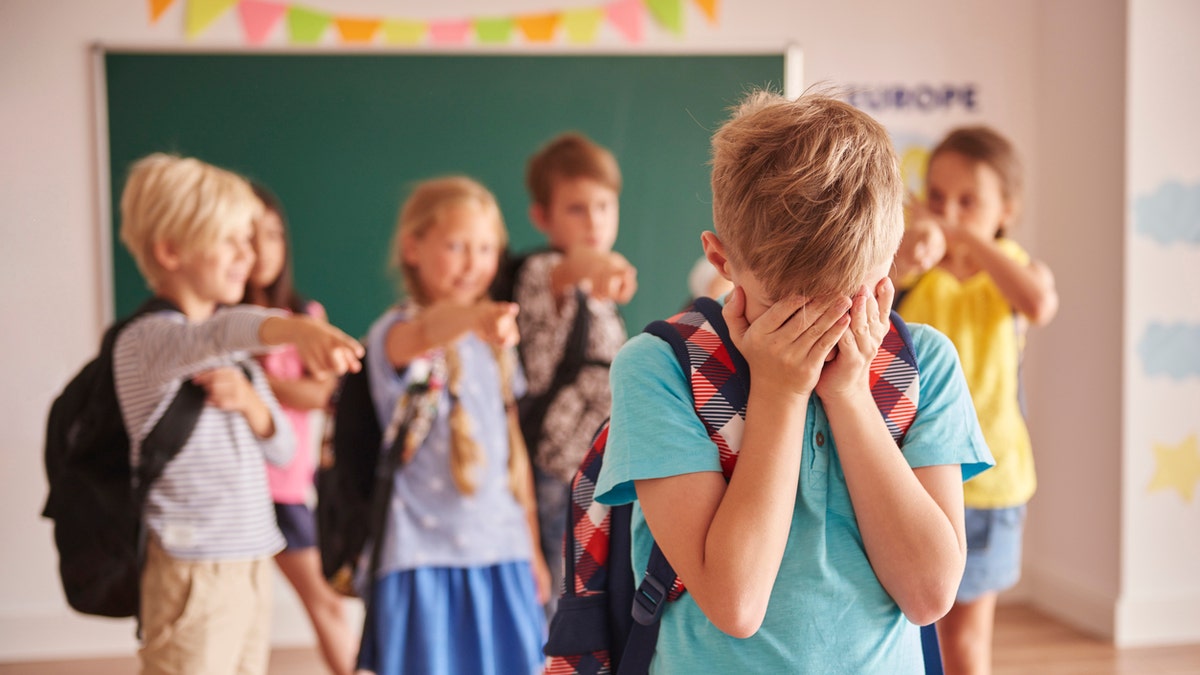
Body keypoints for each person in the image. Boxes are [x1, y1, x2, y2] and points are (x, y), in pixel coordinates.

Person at [592, 90, 995, 672]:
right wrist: (780, 394)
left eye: (849, 302)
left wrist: (850, 395)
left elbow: (929, 594)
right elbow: (737, 602)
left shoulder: (924, 363)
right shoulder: (658, 368)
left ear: (889, 264)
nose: (824, 332)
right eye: (791, 308)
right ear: (722, 261)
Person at [113, 153, 363, 675]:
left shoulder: (232, 359)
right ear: (170, 250)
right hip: (192, 568)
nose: (246, 255)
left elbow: (284, 448)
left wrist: (253, 404)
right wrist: (295, 328)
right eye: (231, 240)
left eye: (250, 241)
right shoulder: (149, 341)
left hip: (249, 560)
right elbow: (215, 333)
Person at [356, 176, 548, 675]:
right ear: (412, 248)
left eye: (486, 248)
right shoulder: (397, 332)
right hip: (422, 557)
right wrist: (474, 318)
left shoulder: (492, 342)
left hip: (501, 551)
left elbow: (513, 452)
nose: (473, 262)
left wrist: (531, 549)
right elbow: (425, 332)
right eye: (457, 246)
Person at [892, 126, 1059, 675]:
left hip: (989, 486)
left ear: (1006, 209)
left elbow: (1038, 302)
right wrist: (906, 256)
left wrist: (969, 240)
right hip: (907, 479)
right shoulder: (913, 272)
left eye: (969, 201)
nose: (949, 212)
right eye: (937, 198)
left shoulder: (1015, 269)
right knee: (908, 637)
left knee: (965, 646)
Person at [509, 132, 636, 618]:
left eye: (604, 206)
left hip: (600, 470)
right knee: (565, 610)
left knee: (599, 603)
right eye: (576, 209)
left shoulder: (598, 295)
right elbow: (571, 266)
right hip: (560, 471)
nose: (595, 221)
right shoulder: (544, 271)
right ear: (543, 217)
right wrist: (602, 263)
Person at [242, 183, 355, 675]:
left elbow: (323, 394)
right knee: (241, 614)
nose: (261, 248)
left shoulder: (306, 317)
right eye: (247, 236)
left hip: (285, 485)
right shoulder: (213, 321)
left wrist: (253, 380)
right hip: (231, 490)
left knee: (326, 602)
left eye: (272, 234)